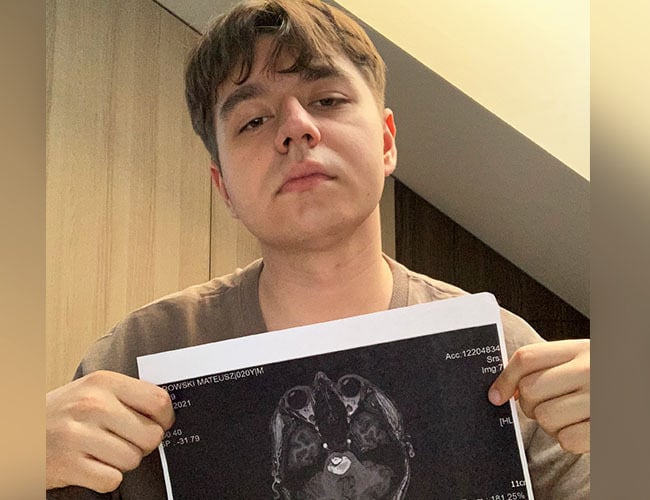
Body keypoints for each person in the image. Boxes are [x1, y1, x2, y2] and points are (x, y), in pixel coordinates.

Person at [45, 0, 590, 498]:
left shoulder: (510, 356)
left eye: (327, 100)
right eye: (254, 120)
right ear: (223, 186)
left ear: (385, 142)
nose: (296, 128)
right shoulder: (136, 356)